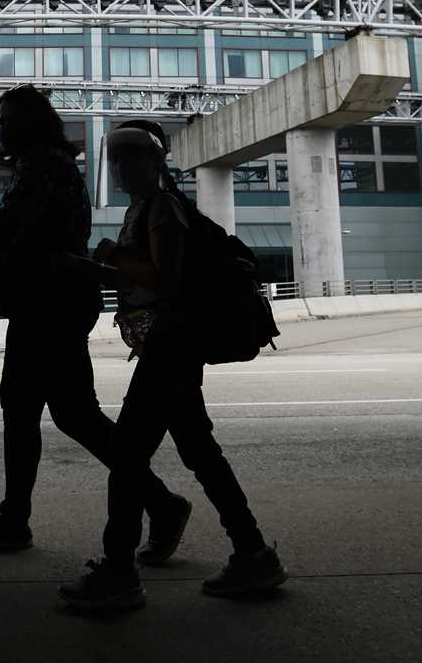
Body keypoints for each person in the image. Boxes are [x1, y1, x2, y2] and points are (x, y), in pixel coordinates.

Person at [0, 86, 191, 556]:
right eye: (0, 120)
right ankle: (21, 516)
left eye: (11, 119)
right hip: (51, 305)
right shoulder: (50, 165)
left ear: (33, 125)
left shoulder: (43, 166)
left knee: (61, 414)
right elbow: (15, 232)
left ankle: (157, 503)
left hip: (48, 308)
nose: (3, 128)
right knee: (42, 413)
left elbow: (9, 230)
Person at [58, 120, 286, 612]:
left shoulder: (162, 207)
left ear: (157, 161)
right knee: (200, 451)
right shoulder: (142, 210)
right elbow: (141, 278)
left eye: (134, 155)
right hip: (170, 344)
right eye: (116, 156)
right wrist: (99, 269)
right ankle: (253, 552)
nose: (123, 165)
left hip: (172, 344)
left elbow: (167, 279)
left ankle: (119, 571)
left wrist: (113, 256)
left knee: (126, 453)